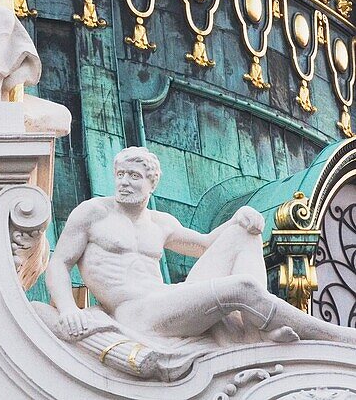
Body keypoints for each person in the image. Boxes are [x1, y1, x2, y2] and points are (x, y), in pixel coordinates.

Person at [46, 147, 356, 346]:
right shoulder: (92, 213)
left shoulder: (161, 222)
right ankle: (338, 337)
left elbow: (207, 245)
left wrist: (239, 218)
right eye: (121, 174)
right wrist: (69, 309)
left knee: (243, 233)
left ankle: (253, 329)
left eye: (135, 176)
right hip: (134, 312)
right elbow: (59, 263)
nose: (125, 182)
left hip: (166, 299)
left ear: (152, 184)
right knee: (243, 288)